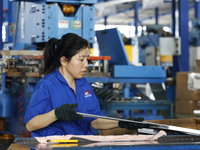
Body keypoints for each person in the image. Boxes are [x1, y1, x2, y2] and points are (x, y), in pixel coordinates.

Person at [24, 33, 147, 137]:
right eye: (81, 59)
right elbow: (30, 124)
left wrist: (121, 122)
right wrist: (55, 114)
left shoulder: (83, 84)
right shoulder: (47, 85)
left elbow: (94, 121)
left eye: (87, 59)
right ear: (64, 61)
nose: (86, 64)